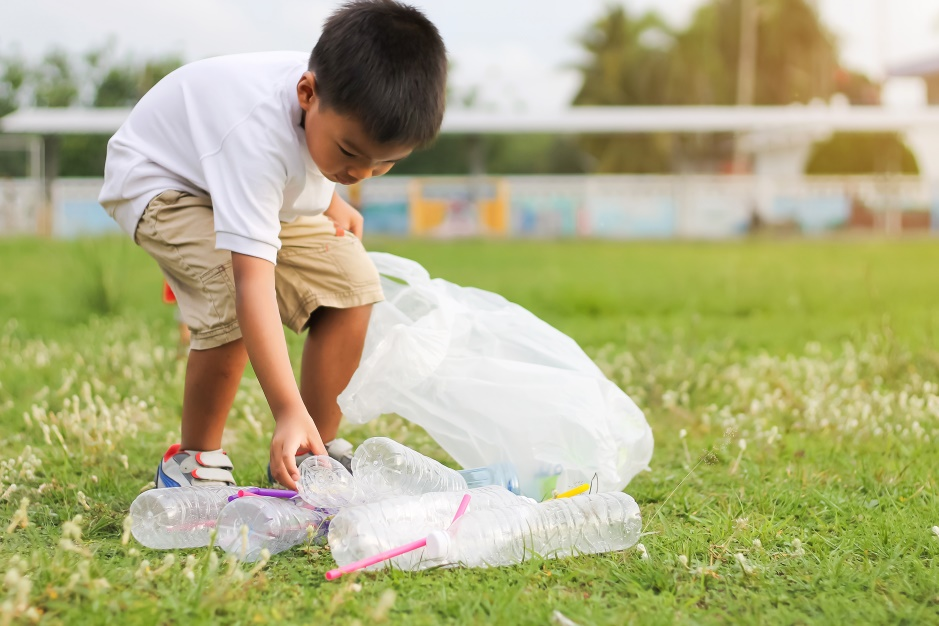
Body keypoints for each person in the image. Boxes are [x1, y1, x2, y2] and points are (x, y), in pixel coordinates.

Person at [98, 0, 448, 490]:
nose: (360, 174)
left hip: (233, 179)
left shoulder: (334, 105)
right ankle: (195, 462)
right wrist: (286, 407)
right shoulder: (255, 135)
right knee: (227, 299)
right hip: (164, 182)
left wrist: (329, 199)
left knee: (352, 281)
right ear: (307, 93)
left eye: (382, 163)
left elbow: (307, 154)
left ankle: (311, 451)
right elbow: (252, 285)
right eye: (350, 154)